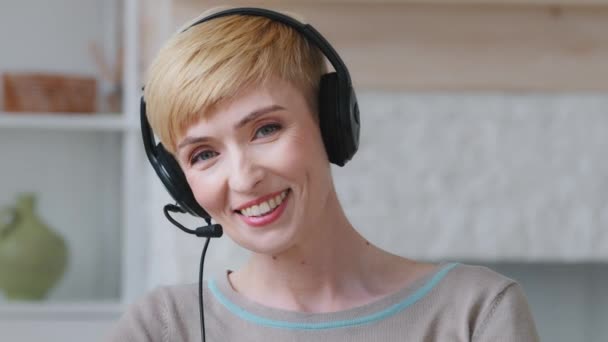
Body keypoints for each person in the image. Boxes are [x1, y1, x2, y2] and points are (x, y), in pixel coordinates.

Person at [107, 6, 540, 342]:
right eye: (203, 155)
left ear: (331, 124)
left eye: (266, 129)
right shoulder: (162, 327)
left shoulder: (475, 311)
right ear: (179, 181)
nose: (242, 179)